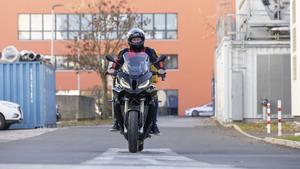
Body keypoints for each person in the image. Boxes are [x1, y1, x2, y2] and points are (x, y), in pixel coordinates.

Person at [108, 28, 165, 135]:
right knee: (117, 96)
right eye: (134, 39)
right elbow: (117, 62)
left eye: (138, 39)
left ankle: (153, 125)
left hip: (144, 78)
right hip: (127, 78)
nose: (136, 41)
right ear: (130, 40)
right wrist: (112, 69)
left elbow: (156, 61)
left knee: (154, 98)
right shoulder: (124, 52)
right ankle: (116, 122)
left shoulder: (149, 51)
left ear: (142, 39)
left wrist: (161, 69)